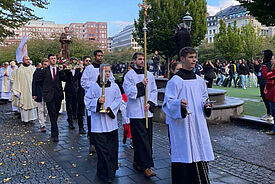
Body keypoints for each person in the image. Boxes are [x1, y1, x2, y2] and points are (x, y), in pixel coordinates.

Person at [162, 47, 214, 184]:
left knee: (199, 154)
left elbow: (204, 98)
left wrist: (207, 105)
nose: (194, 60)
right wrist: (180, 105)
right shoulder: (175, 81)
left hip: (198, 124)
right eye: (190, 57)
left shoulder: (199, 80)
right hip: (183, 126)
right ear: (182, 59)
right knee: (184, 157)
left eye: (195, 57)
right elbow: (168, 103)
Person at [122, 52, 158, 178]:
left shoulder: (149, 74)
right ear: (134, 61)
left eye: (143, 59)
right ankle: (146, 166)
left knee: (147, 139)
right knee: (140, 140)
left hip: (147, 112)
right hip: (136, 112)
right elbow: (130, 93)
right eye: (139, 59)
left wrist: (150, 102)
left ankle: (139, 162)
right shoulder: (129, 75)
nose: (142, 61)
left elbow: (154, 90)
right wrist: (141, 85)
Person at [84, 64, 121, 183]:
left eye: (109, 72)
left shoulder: (115, 87)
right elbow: (87, 101)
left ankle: (111, 170)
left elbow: (118, 99)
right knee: (102, 150)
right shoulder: (94, 87)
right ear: (100, 73)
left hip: (111, 124)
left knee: (112, 149)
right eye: (105, 72)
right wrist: (98, 102)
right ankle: (105, 172)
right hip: (98, 125)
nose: (107, 74)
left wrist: (110, 109)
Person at [37, 54, 67, 142]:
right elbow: (38, 81)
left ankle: (54, 131)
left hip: (58, 95)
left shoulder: (59, 69)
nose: (53, 60)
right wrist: (45, 88)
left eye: (54, 58)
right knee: (52, 113)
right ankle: (55, 133)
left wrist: (62, 71)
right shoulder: (44, 70)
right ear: (49, 60)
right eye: (51, 59)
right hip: (49, 95)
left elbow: (64, 79)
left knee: (56, 113)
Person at [12, 56, 37, 123]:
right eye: (26, 60)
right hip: (23, 91)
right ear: (23, 61)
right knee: (25, 104)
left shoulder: (33, 69)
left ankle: (32, 118)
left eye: (29, 59)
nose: (28, 61)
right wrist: (17, 92)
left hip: (32, 90)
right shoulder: (19, 70)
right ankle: (25, 120)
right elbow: (17, 81)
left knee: (32, 104)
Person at [73, 56, 91, 134]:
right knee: (80, 111)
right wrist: (80, 71)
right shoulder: (79, 69)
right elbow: (74, 79)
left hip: (90, 93)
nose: (88, 62)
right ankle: (81, 127)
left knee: (89, 112)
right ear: (83, 61)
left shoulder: (91, 69)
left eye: (89, 61)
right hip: (81, 92)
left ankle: (90, 129)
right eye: (86, 61)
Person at [32, 58, 49, 132]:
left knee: (46, 109)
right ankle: (42, 124)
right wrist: (34, 93)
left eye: (47, 64)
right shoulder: (37, 71)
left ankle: (44, 120)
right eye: (44, 64)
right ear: (42, 64)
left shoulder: (50, 71)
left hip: (48, 93)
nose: (46, 66)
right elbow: (34, 83)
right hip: (39, 92)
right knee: (40, 109)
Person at [260, 50, 273, 121]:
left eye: (264, 55)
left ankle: (270, 114)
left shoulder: (269, 64)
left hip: (266, 83)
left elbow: (267, 74)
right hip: (262, 82)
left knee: (266, 98)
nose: (263, 56)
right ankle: (268, 113)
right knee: (264, 97)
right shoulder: (264, 63)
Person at [263, 55, 275, 135]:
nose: (271, 60)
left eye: (273, 59)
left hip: (273, 95)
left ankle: (274, 130)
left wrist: (264, 66)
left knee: (274, 113)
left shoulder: (273, 72)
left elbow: (266, 76)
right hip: (272, 94)